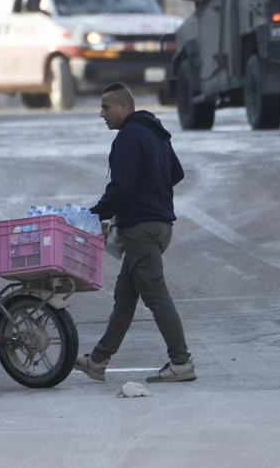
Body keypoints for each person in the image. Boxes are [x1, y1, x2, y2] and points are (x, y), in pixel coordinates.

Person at [75, 82, 195, 384]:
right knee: (125, 296)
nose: (101, 114)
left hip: (142, 229)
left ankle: (181, 362)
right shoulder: (156, 132)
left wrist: (92, 216)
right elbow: (176, 173)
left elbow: (121, 187)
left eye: (106, 107)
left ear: (123, 107)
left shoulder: (129, 137)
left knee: (155, 294)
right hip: (159, 225)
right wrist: (153, 194)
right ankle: (98, 360)